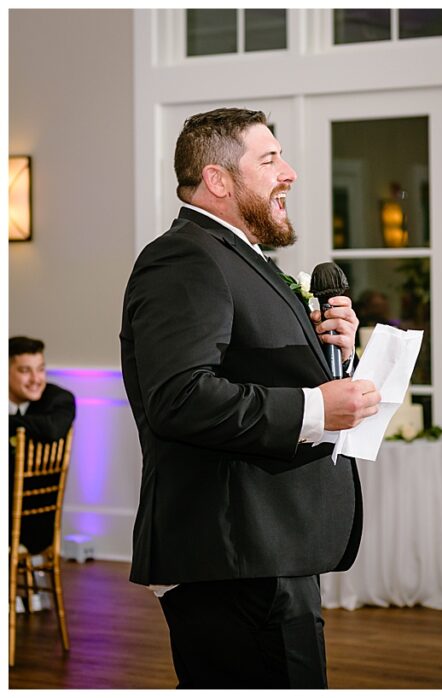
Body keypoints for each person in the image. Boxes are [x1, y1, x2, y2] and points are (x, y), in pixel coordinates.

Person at [120, 108, 382, 688]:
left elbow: (248, 369)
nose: (288, 172)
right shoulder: (184, 258)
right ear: (218, 180)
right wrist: (317, 408)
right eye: (269, 160)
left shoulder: (239, 257)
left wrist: (333, 353)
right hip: (234, 558)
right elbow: (181, 396)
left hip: (266, 551)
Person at [9, 336, 76, 555]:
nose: (36, 379)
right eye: (25, 371)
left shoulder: (58, 399)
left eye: (40, 369)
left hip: (32, 520)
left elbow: (53, 429)